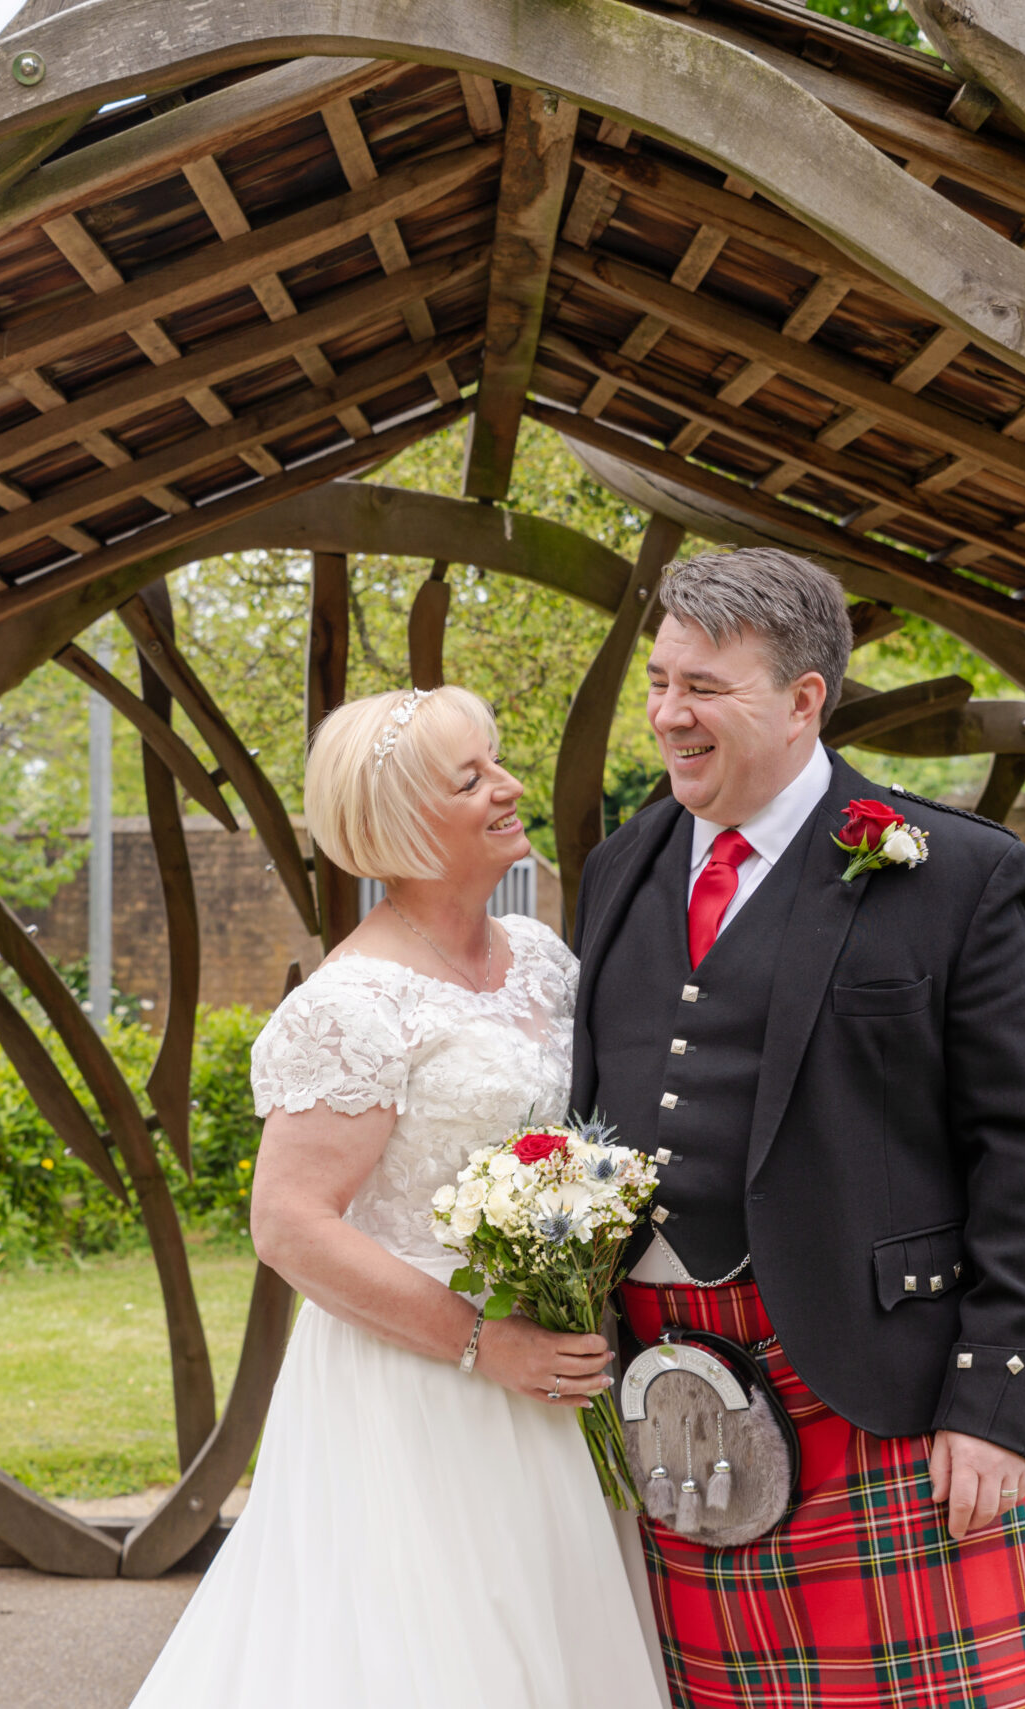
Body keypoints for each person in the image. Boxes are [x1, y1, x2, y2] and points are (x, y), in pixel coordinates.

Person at [569, 547, 1025, 1709]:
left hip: (869, 1372)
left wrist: (995, 1404)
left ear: (805, 699)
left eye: (703, 686)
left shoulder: (952, 870)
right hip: (671, 1385)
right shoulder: (620, 865)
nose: (666, 713)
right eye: (659, 680)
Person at [128, 685, 665, 1709]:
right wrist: (482, 1340)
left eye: (496, 759)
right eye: (472, 778)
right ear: (406, 824)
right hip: (419, 1389)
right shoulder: (350, 1006)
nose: (509, 786)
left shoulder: (544, 964)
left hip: (550, 1373)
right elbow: (288, 1222)